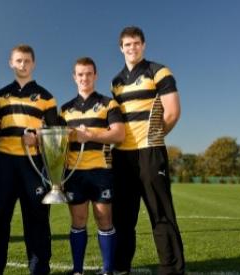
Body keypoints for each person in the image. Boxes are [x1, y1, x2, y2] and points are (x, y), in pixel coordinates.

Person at [110, 26, 185, 275]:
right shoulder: (116, 83)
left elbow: (172, 111)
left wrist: (153, 139)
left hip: (149, 152)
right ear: (121, 48)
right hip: (122, 156)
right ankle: (121, 267)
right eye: (127, 44)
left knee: (160, 213)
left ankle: (171, 269)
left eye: (136, 43)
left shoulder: (158, 71)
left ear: (143, 45)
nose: (132, 48)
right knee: (122, 218)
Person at [0, 44, 60, 275]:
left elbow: (55, 136)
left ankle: (39, 270)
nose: (22, 65)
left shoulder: (47, 97)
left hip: (33, 166)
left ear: (33, 64)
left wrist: (38, 139)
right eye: (18, 61)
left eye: (26, 61)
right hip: (4, 163)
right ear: (11, 63)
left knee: (37, 222)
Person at [60, 57, 125, 275]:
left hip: (101, 171)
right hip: (74, 172)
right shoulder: (65, 109)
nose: (84, 78)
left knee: (103, 218)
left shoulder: (109, 103)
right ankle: (77, 270)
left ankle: (107, 271)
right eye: (80, 74)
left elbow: (119, 134)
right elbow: (58, 142)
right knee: (78, 220)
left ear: (95, 75)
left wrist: (91, 134)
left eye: (88, 73)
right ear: (74, 77)